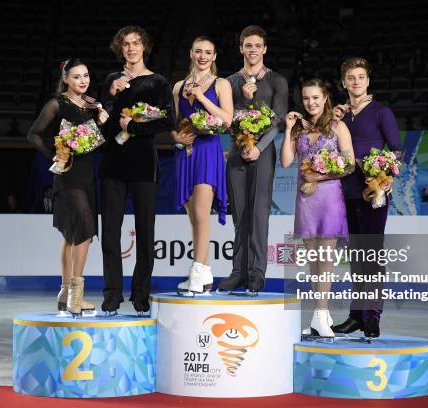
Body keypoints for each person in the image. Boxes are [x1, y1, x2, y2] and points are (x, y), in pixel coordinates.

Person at [100, 26, 174, 315]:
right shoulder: (110, 80)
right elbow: (104, 127)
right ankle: (112, 293)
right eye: (126, 44)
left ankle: (141, 294)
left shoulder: (157, 82)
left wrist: (133, 126)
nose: (131, 48)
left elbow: (167, 122)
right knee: (110, 233)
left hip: (143, 164)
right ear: (120, 48)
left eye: (136, 43)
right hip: (113, 165)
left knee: (145, 232)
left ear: (145, 47)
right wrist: (112, 96)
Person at [27, 58, 109, 316]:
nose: (83, 80)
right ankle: (76, 295)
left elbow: (94, 138)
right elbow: (33, 134)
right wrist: (53, 152)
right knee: (83, 230)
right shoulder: (56, 103)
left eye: (85, 75)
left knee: (71, 234)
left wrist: (103, 120)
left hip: (87, 174)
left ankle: (64, 291)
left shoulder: (92, 104)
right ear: (66, 79)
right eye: (76, 77)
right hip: (67, 175)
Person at [331, 57, 401, 338]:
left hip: (374, 192)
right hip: (344, 191)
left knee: (371, 254)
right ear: (344, 82)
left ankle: (372, 315)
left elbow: (397, 150)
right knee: (355, 256)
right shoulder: (339, 115)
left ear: (368, 81)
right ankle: (356, 315)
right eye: (351, 77)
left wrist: (381, 172)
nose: (356, 81)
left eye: (361, 76)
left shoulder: (381, 111)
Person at [281, 79, 354, 338]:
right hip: (306, 200)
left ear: (325, 98)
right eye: (305, 98)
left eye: (315, 97)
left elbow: (349, 164)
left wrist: (319, 176)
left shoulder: (338, 127)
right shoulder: (299, 130)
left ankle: (321, 314)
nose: (310, 103)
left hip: (330, 198)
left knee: (326, 260)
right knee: (314, 261)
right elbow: (287, 162)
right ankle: (318, 315)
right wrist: (289, 128)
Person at [220, 25, 288, 294]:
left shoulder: (276, 81)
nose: (252, 50)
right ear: (241, 48)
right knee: (240, 214)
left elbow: (279, 120)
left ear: (264, 49)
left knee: (259, 214)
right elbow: (225, 120)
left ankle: (257, 273)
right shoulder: (229, 82)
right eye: (248, 45)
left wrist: (259, 147)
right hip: (237, 152)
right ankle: (238, 271)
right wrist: (243, 105)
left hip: (263, 152)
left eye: (257, 45)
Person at [172, 36, 233, 295]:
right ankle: (204, 273)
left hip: (208, 150)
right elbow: (175, 123)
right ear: (191, 53)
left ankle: (197, 272)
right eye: (198, 51)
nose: (203, 56)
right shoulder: (178, 86)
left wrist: (201, 97)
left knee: (201, 213)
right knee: (192, 216)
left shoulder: (221, 84)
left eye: (208, 52)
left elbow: (227, 120)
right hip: (186, 152)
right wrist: (176, 138)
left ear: (214, 56)